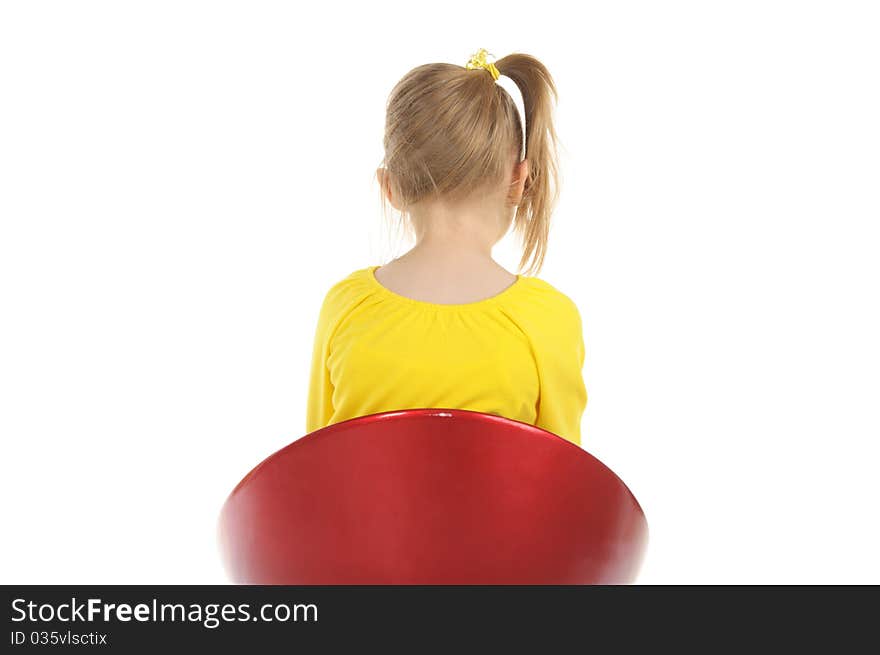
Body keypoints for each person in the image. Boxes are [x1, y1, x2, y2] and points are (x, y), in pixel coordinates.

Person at [306, 49, 587, 446]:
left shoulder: (346, 308)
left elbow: (313, 465)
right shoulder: (547, 319)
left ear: (391, 187)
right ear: (519, 179)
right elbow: (566, 481)